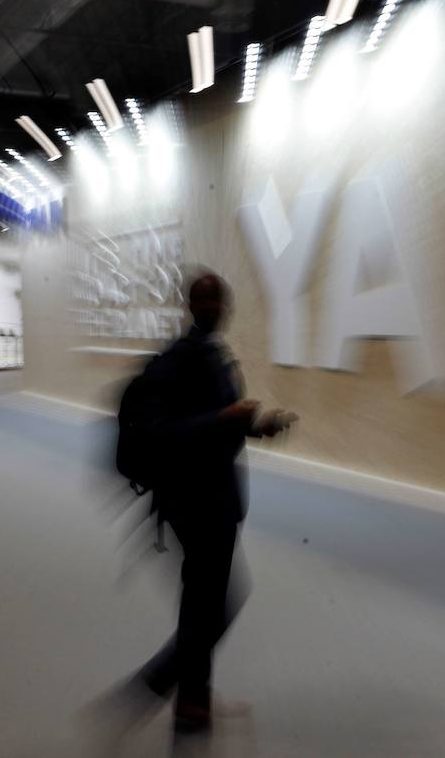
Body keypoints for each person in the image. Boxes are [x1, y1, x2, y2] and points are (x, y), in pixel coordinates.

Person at [133, 271, 295, 733]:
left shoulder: (215, 356)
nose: (212, 309)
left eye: (217, 300)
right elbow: (160, 432)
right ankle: (160, 684)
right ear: (190, 305)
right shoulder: (174, 363)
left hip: (216, 498)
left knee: (203, 602)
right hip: (192, 502)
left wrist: (256, 425)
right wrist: (225, 416)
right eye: (203, 301)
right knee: (214, 603)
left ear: (227, 305)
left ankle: (192, 700)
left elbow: (222, 423)